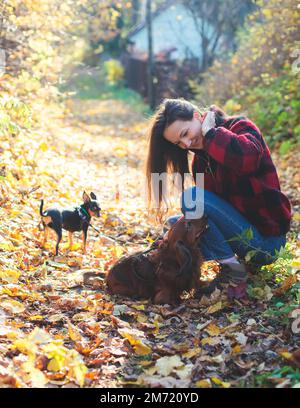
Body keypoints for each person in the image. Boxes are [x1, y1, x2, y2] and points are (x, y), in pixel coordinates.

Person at [145, 98, 292, 296]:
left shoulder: (240, 127)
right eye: (178, 143)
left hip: (267, 242)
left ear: (198, 117)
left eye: (185, 134)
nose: (186, 143)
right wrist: (172, 233)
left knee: (192, 197)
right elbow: (210, 214)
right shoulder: (200, 162)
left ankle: (234, 273)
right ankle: (164, 272)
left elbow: (247, 160)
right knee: (173, 224)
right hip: (242, 240)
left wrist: (211, 134)